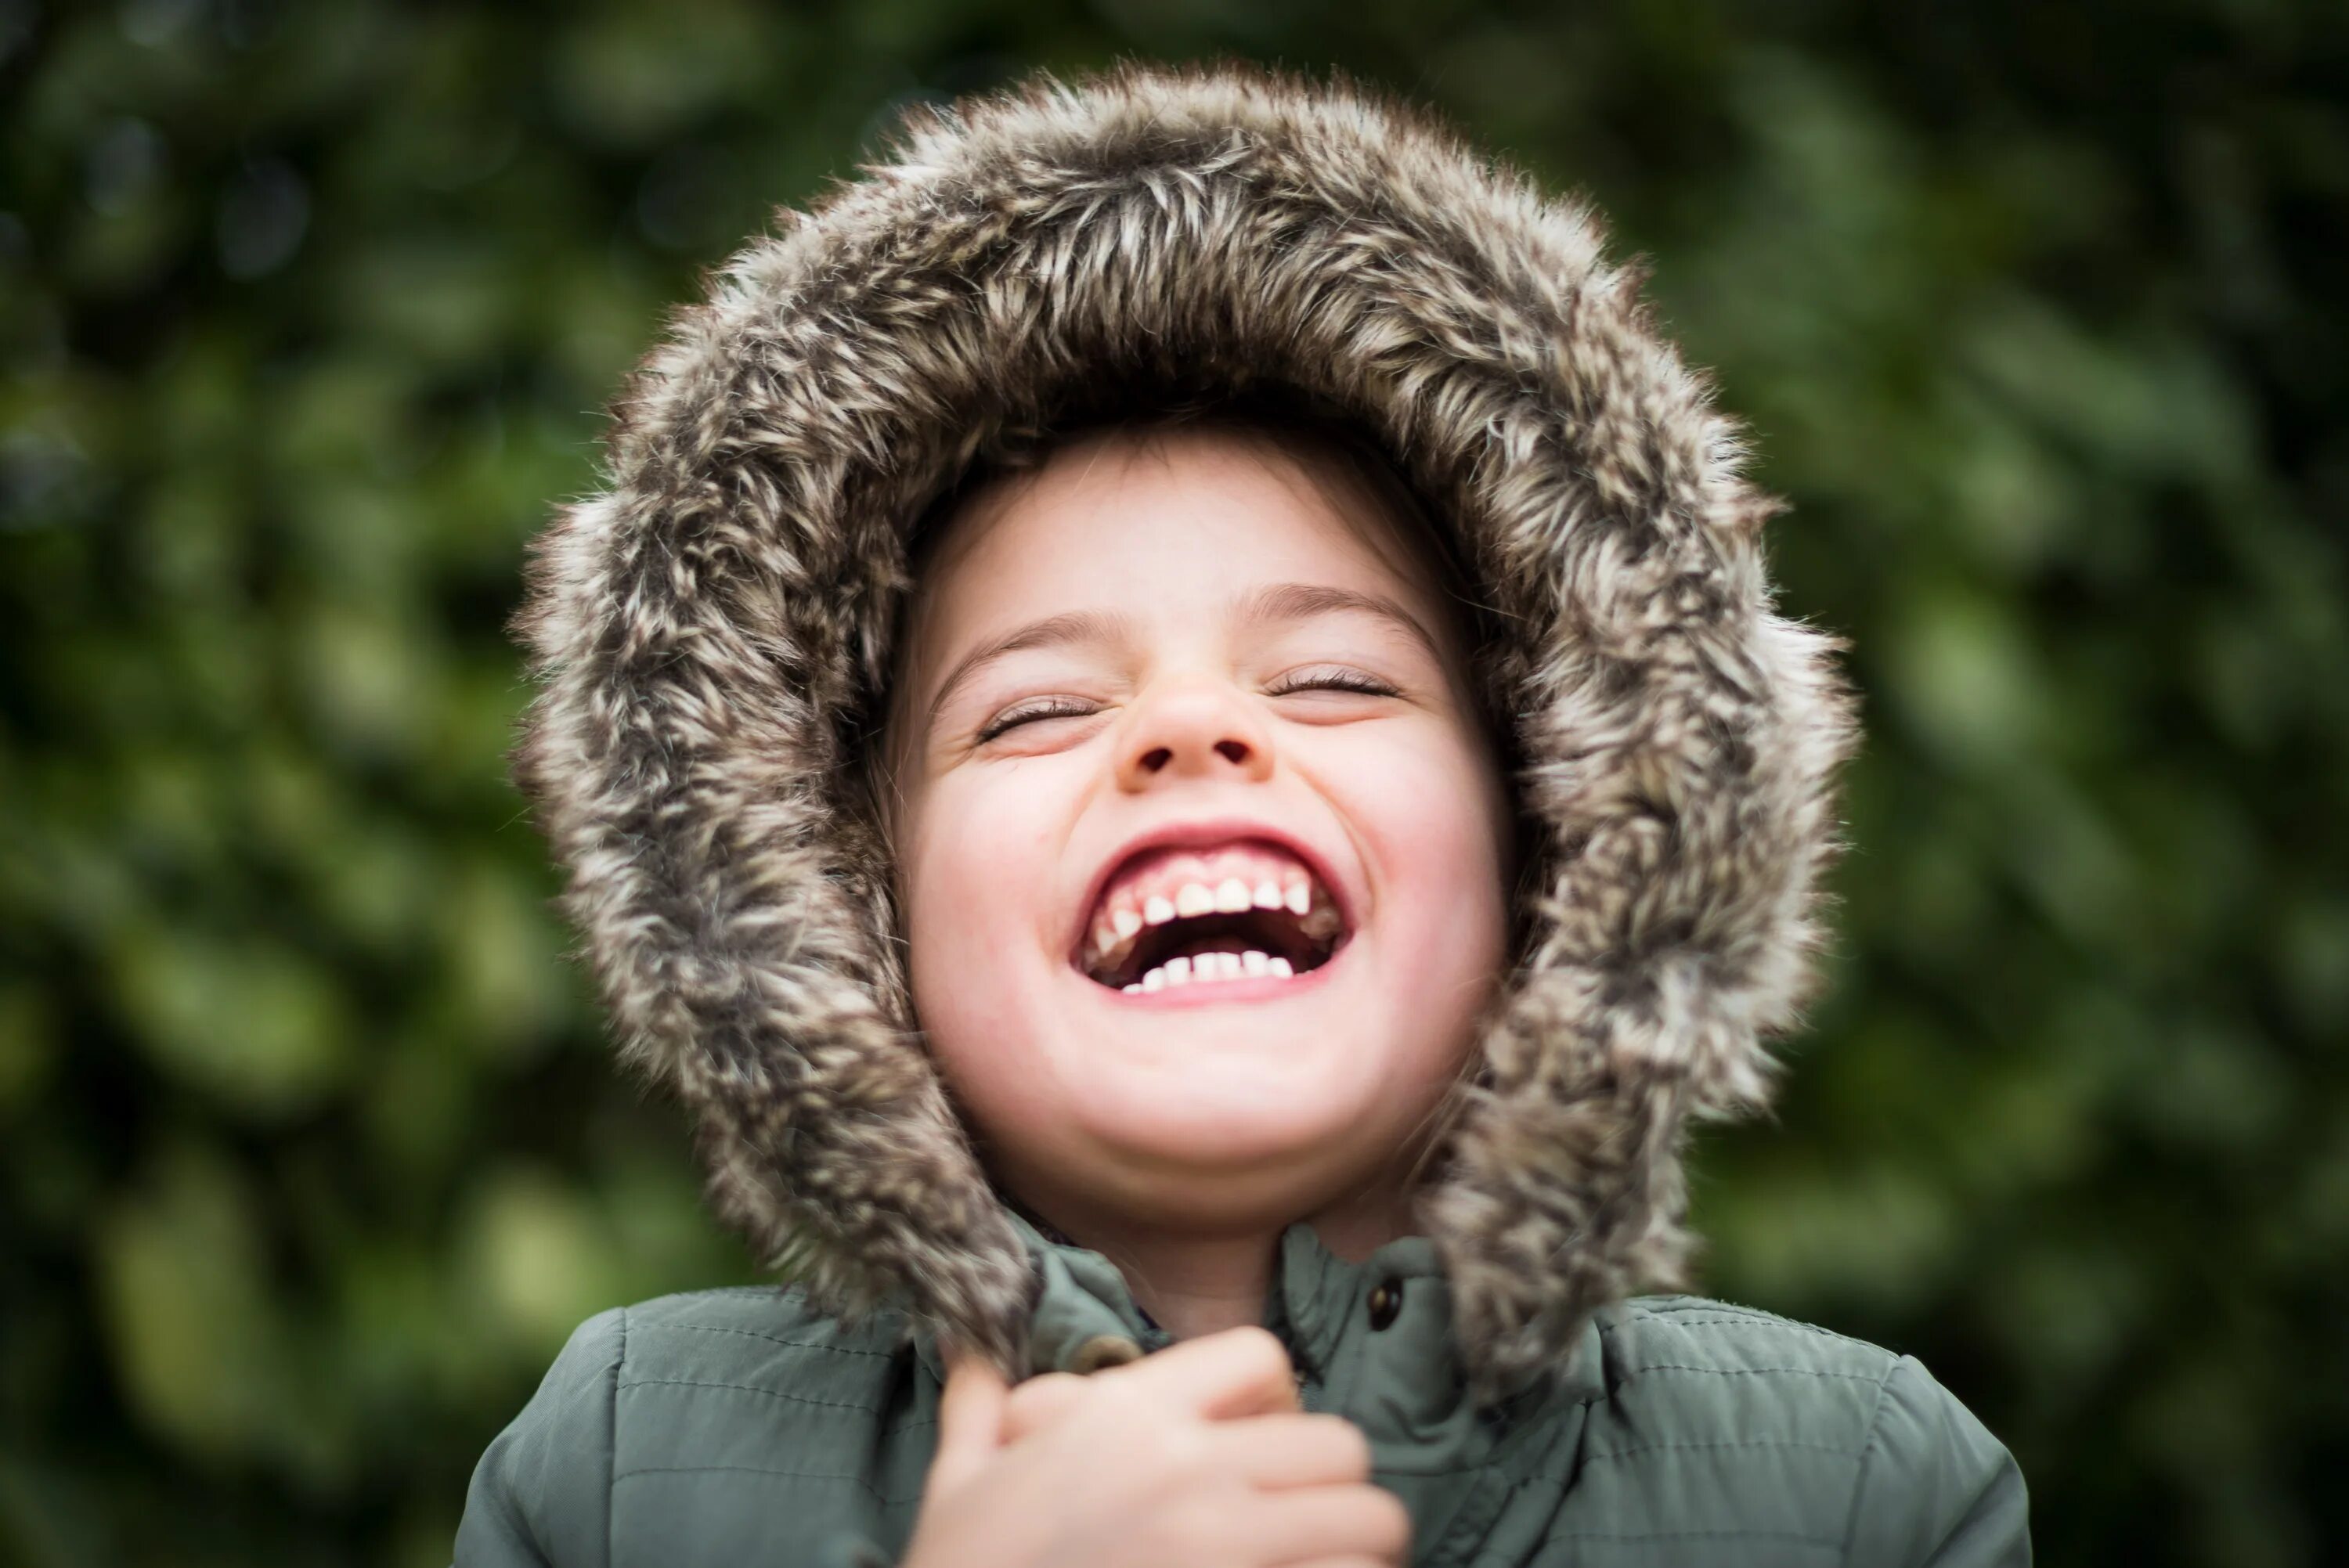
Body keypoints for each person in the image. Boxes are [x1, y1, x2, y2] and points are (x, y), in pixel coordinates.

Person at [453, 60, 2030, 1568]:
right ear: (849, 909)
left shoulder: (1858, 1489)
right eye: (1037, 708)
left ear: (1554, 852)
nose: (1191, 728)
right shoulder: (613, 1471)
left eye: (1337, 680)